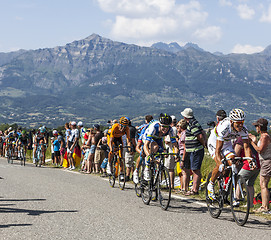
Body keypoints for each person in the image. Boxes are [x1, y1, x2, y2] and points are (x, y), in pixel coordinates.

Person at [207, 108, 252, 200]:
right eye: (238, 123)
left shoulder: (243, 129)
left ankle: (229, 190)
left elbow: (246, 147)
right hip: (214, 143)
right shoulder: (224, 127)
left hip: (226, 144)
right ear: (231, 122)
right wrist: (220, 163)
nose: (240, 125)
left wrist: (249, 160)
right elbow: (218, 150)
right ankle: (210, 184)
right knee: (220, 165)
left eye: (242, 122)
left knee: (234, 163)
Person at [143, 113, 179, 182]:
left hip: (158, 138)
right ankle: (147, 167)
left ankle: (156, 180)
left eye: (167, 127)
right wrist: (148, 155)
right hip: (148, 137)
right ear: (159, 124)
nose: (165, 129)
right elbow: (146, 145)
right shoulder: (153, 127)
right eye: (163, 126)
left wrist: (176, 155)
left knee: (160, 156)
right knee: (154, 147)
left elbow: (175, 145)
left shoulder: (170, 130)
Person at [181, 108, 206, 195]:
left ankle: (194, 190)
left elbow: (199, 135)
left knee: (195, 170)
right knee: (194, 169)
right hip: (193, 150)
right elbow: (202, 132)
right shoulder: (193, 123)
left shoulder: (192, 124)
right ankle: (193, 189)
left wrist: (203, 144)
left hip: (196, 150)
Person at [249, 118, 271, 213]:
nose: (256, 128)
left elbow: (259, 150)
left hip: (267, 161)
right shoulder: (263, 136)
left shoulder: (265, 137)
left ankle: (265, 207)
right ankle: (264, 206)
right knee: (263, 184)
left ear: (260, 127)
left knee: (263, 184)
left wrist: (252, 143)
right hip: (265, 161)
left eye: (256, 126)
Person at [234, 136, 260, 208]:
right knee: (250, 184)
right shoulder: (250, 139)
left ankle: (237, 200)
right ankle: (250, 204)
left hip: (248, 165)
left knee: (239, 180)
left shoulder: (240, 139)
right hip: (257, 164)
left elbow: (236, 152)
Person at [133, 115, 153, 184]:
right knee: (142, 153)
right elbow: (138, 146)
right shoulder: (143, 129)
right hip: (141, 138)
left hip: (150, 141)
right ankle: (136, 170)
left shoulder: (154, 128)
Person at [177, 119, 190, 194]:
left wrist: (183, 159)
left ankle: (184, 188)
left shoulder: (183, 134)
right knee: (187, 171)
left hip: (183, 153)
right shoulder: (186, 133)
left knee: (184, 171)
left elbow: (185, 147)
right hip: (185, 153)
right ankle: (186, 187)